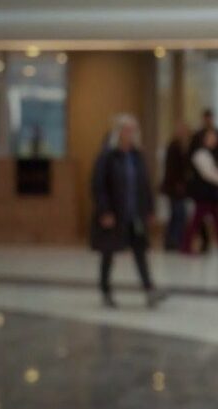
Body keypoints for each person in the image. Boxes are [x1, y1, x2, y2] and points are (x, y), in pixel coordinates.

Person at [90, 114, 165, 309]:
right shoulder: (108, 156)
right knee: (108, 252)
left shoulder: (136, 156)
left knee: (140, 250)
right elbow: (99, 185)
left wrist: (149, 209)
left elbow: (145, 185)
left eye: (133, 130)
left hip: (135, 214)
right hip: (114, 213)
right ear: (118, 132)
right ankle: (105, 290)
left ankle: (149, 289)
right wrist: (104, 211)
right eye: (126, 130)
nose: (130, 134)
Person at [189, 108, 218, 253]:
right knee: (197, 221)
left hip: (213, 192)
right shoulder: (200, 152)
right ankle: (188, 245)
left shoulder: (216, 149)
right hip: (203, 192)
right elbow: (209, 173)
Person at [160, 122, 191, 251]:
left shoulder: (184, 147)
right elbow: (171, 168)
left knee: (177, 215)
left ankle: (173, 240)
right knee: (178, 214)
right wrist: (178, 184)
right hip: (174, 187)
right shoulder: (173, 147)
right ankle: (174, 240)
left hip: (179, 187)